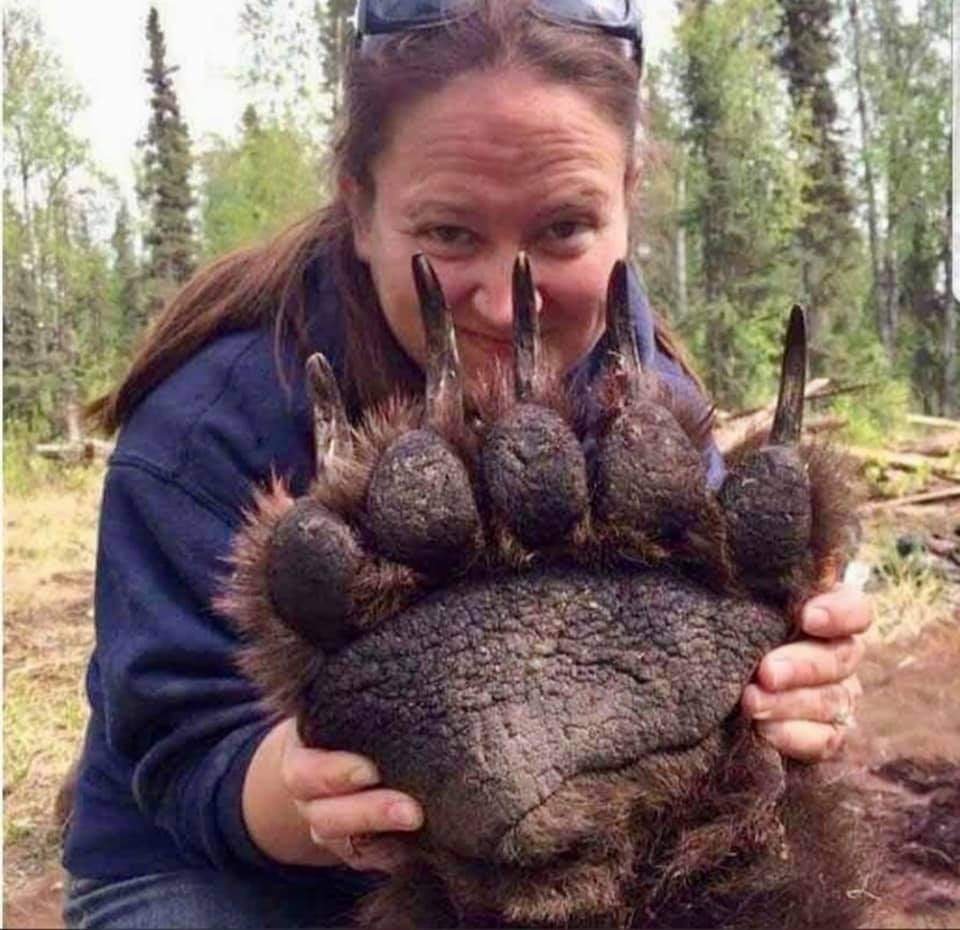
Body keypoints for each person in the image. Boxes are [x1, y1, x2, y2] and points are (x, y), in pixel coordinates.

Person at [62, 0, 872, 926]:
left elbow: (729, 691)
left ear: (628, 198)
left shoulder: (646, 417)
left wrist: (788, 692)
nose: (501, 300)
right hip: (225, 869)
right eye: (449, 233)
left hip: (526, 851)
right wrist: (311, 785)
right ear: (360, 208)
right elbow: (179, 750)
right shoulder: (208, 427)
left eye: (564, 229)